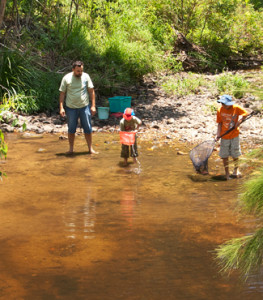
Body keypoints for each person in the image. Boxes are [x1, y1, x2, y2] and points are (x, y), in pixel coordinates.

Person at [59, 61, 97, 154]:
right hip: (71, 108)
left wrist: (93, 106)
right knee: (71, 129)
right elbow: (62, 93)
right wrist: (61, 108)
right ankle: (71, 149)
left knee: (88, 128)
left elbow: (91, 91)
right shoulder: (66, 78)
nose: (80, 73)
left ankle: (90, 149)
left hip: (84, 107)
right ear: (73, 70)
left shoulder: (86, 76)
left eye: (81, 71)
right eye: (78, 71)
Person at [216, 95, 248, 180]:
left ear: (230, 104)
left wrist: (239, 122)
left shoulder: (236, 108)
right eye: (222, 103)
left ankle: (236, 169)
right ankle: (227, 173)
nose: (223, 105)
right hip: (224, 136)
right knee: (224, 155)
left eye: (225, 104)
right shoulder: (220, 110)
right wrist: (218, 135)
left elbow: (246, 114)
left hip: (234, 135)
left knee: (235, 153)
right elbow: (219, 123)